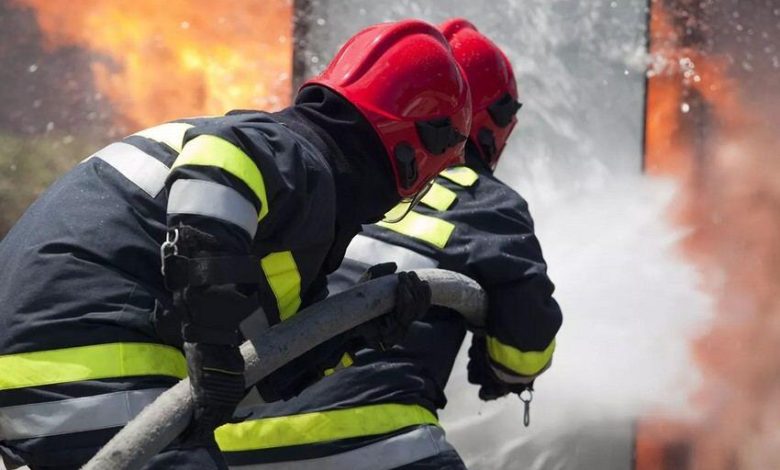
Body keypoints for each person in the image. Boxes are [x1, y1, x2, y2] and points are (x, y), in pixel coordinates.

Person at [0, 19, 471, 470]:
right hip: (89, 360)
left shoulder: (278, 217)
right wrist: (210, 340)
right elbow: (221, 159)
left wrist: (354, 337)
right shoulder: (294, 154)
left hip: (42, 369)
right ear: (415, 151)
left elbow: (243, 384)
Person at [217, 18, 563, 470]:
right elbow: (525, 349)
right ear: (486, 121)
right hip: (373, 442)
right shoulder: (484, 203)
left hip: (224, 443)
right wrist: (500, 367)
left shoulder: (318, 178)